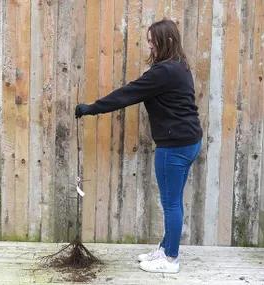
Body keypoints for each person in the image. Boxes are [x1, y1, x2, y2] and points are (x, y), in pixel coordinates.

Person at [75, 18, 202, 274]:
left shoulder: (164, 72)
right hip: (189, 141)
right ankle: (165, 248)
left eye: (152, 40)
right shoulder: (179, 66)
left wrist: (91, 109)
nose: (149, 45)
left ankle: (171, 259)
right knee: (174, 200)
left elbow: (127, 93)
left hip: (175, 146)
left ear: (165, 41)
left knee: (171, 203)